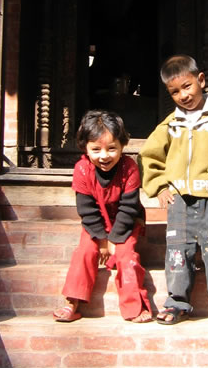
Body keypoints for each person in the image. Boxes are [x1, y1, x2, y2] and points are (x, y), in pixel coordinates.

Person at [139, 55, 208, 325]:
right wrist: (159, 186)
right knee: (178, 251)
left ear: (200, 80)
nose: (183, 95)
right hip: (180, 200)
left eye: (187, 86)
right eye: (175, 91)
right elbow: (149, 156)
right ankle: (177, 302)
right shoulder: (170, 125)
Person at [53, 109, 153, 323]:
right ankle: (72, 303)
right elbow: (86, 210)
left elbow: (129, 208)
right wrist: (101, 240)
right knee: (84, 252)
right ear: (85, 148)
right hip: (95, 223)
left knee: (127, 257)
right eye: (96, 149)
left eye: (112, 148)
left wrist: (114, 240)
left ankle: (135, 307)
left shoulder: (129, 168)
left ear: (122, 146)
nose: (104, 156)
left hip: (126, 222)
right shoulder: (82, 169)